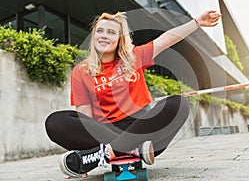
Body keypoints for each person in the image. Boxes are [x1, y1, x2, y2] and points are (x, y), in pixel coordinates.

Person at [45, 10, 221, 178]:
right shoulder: (81, 71)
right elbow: (84, 116)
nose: (104, 35)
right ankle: (126, 149)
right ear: (93, 36)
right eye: (100, 31)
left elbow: (166, 39)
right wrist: (82, 149)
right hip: (106, 131)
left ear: (120, 39)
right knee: (55, 122)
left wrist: (197, 22)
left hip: (142, 128)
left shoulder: (135, 57)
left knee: (178, 103)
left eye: (111, 32)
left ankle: (104, 154)